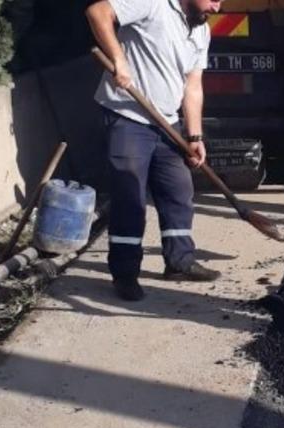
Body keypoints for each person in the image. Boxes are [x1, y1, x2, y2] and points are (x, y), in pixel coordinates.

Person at [86, 0, 224, 301]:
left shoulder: (201, 30)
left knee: (178, 191)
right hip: (128, 117)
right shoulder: (153, 4)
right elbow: (98, 12)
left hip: (167, 123)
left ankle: (179, 262)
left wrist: (194, 135)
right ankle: (125, 274)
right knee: (130, 196)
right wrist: (119, 59)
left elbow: (193, 86)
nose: (216, 8)